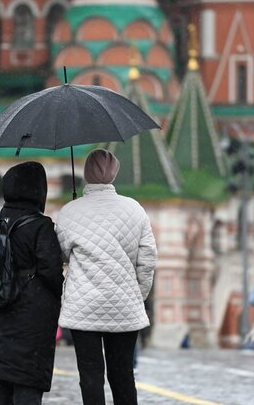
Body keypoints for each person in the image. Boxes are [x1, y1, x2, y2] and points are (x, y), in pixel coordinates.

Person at [56, 149, 157, 405]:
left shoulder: (69, 211)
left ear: (86, 173)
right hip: (124, 304)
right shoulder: (134, 209)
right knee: (122, 374)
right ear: (114, 173)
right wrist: (138, 294)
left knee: (90, 375)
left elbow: (61, 255)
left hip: (84, 306)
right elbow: (147, 258)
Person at [0, 162, 64, 405]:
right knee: (27, 379)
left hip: (0, 306)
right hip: (32, 312)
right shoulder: (40, 225)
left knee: (3, 376)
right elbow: (51, 270)